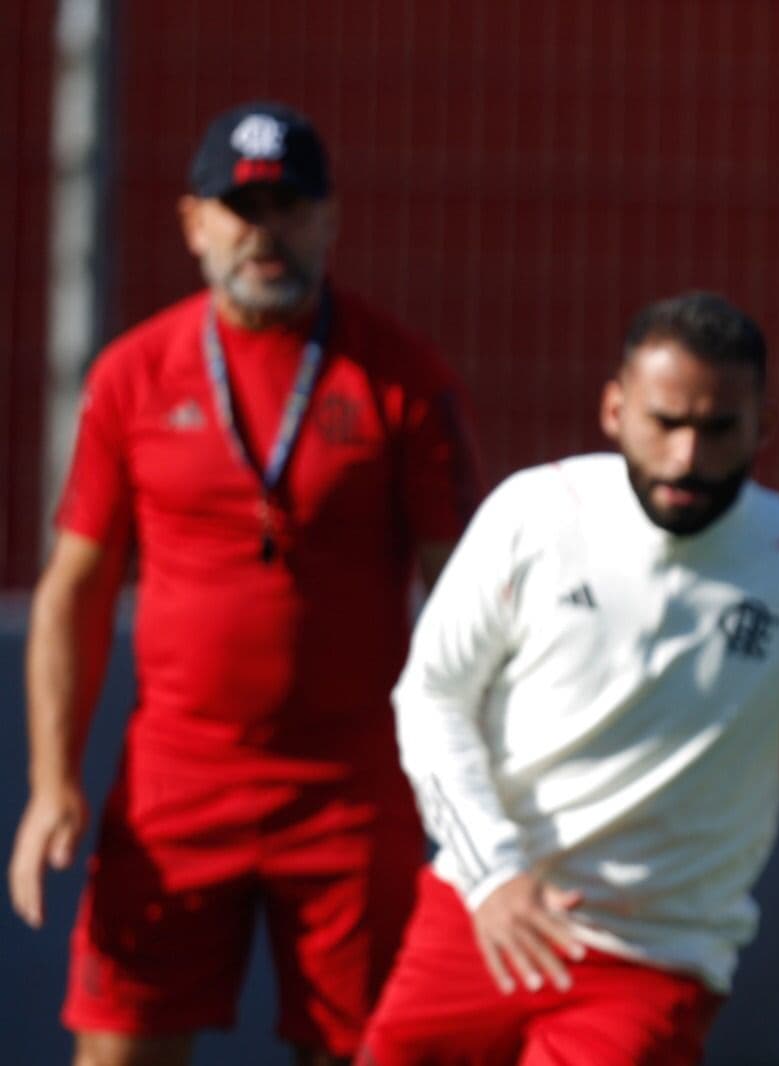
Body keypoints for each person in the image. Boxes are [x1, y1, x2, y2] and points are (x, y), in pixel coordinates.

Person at [358, 291, 779, 1065]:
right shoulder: (533, 516)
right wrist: (492, 874)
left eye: (716, 430)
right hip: (479, 915)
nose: (686, 459)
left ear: (761, 430)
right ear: (614, 410)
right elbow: (432, 696)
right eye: (665, 423)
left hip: (654, 958)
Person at [7, 101, 482, 1066]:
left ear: (330, 219)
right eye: (239, 208)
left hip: (350, 784)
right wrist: (54, 782)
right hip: (179, 777)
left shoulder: (398, 375)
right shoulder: (135, 373)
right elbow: (74, 591)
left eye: (290, 207)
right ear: (193, 223)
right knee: (119, 1046)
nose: (264, 233)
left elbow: (468, 595)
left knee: (370, 1052)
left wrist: (479, 785)